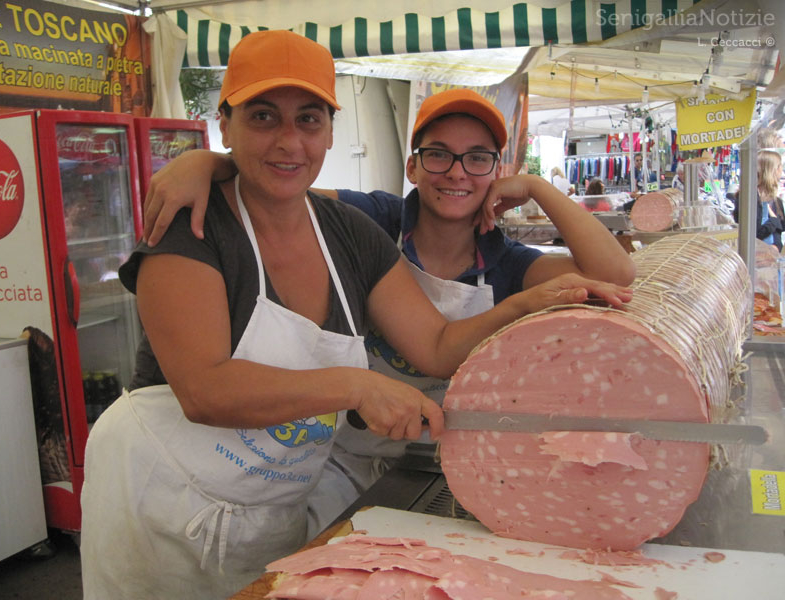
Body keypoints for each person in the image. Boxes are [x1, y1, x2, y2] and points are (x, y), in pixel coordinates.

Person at [80, 32, 632, 600]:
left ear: (329, 131)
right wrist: (357, 386)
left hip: (272, 507)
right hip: (159, 506)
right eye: (263, 117)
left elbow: (436, 344)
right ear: (226, 124)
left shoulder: (350, 233)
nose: (290, 141)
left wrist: (522, 304)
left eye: (310, 120)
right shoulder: (193, 226)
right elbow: (204, 391)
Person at [142, 88, 636, 501]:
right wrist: (207, 162)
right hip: (333, 458)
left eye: (478, 158)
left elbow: (616, 271)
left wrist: (536, 187)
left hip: (435, 458)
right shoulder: (368, 222)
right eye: (438, 154)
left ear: (496, 170)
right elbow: (281, 179)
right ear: (412, 166)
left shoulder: (510, 265)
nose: (457, 172)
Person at [734, 150, 784, 250]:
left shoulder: (776, 200)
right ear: (772, 170)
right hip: (753, 256)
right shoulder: (747, 197)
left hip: (770, 258)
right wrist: (774, 220)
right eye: (780, 166)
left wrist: (776, 247)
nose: (781, 170)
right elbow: (754, 234)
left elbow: (780, 229)